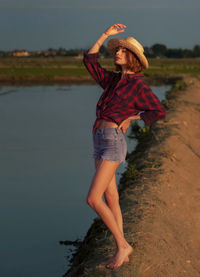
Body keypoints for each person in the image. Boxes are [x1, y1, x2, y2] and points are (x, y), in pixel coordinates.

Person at [83, 23, 166, 269]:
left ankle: (123, 245)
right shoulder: (113, 81)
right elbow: (90, 62)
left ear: (132, 58)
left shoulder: (137, 85)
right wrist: (105, 35)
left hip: (112, 143)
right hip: (99, 138)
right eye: (117, 50)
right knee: (111, 197)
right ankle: (122, 251)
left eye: (122, 51)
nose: (117, 53)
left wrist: (133, 117)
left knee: (93, 199)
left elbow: (159, 110)